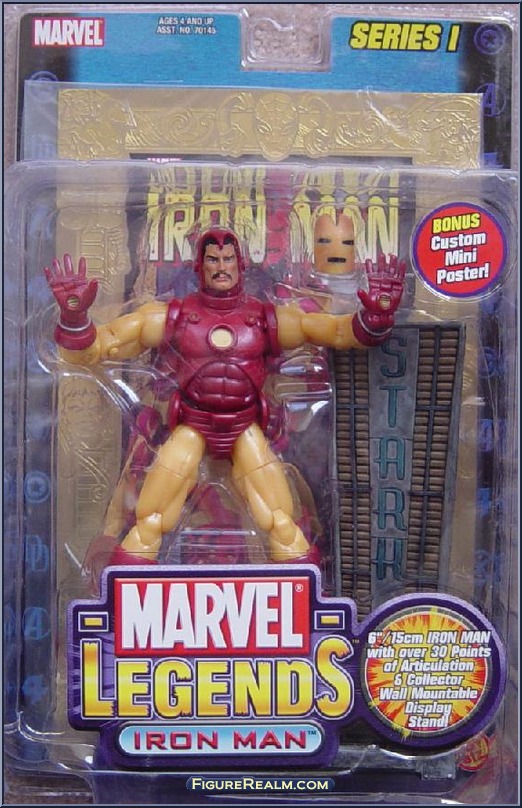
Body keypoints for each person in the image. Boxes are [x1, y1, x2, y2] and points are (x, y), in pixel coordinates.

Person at [45, 228, 404, 567]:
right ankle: (123, 593)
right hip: (192, 426)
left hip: (244, 427)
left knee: (281, 520)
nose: (221, 267)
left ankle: (302, 595)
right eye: (213, 260)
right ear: (199, 267)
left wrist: (376, 316)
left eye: (228, 259)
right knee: (151, 517)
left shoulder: (264, 319)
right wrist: (75, 317)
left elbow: (335, 331)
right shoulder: (174, 317)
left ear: (240, 265)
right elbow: (98, 348)